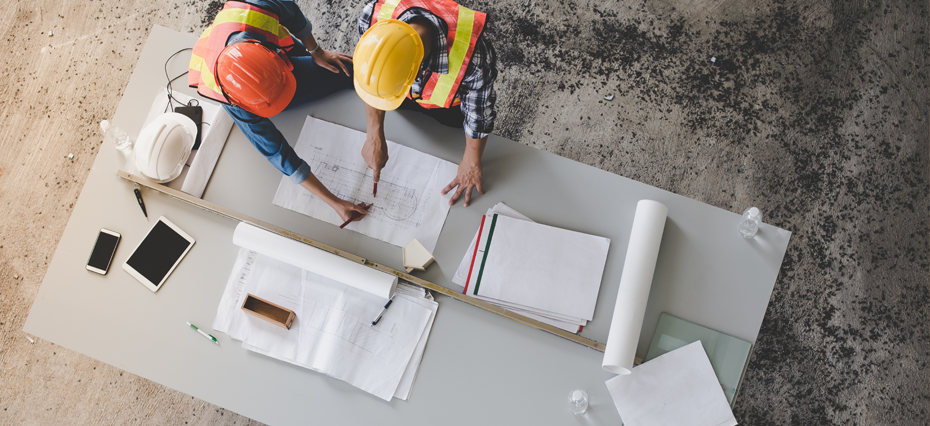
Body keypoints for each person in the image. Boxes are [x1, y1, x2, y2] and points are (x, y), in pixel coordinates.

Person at [189, 0, 370, 223]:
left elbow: (293, 15)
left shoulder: (255, 7)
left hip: (266, 45)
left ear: (273, 55)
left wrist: (316, 52)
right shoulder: (232, 98)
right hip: (240, 60)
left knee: (350, 71)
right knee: (346, 72)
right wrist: (335, 202)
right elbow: (279, 154)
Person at [354, 0, 497, 207]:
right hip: (404, 100)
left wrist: (472, 160)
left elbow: (479, 114)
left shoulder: (474, 57)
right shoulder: (373, 18)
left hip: (448, 107)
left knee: (451, 126)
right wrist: (374, 134)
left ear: (419, 73)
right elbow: (373, 80)